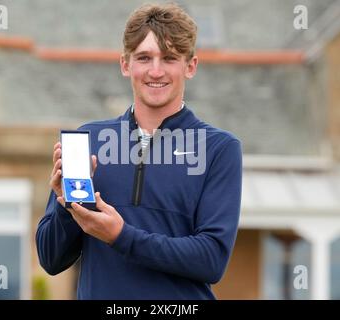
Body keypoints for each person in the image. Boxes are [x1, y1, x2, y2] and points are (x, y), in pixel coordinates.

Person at [36, 3, 242, 300]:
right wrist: (66, 206)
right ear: (125, 64)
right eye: (144, 58)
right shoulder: (88, 139)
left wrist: (121, 236)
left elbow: (211, 260)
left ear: (190, 66)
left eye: (169, 58)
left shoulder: (219, 149)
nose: (155, 71)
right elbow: (50, 259)